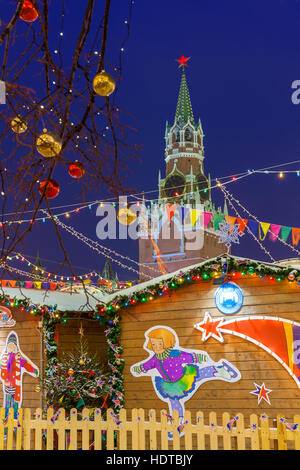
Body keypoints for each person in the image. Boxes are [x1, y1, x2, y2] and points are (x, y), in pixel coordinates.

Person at [131, 326, 241, 438]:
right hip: (170, 385)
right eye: (154, 344)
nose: (157, 347)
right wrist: (140, 368)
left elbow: (186, 356)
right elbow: (147, 365)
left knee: (200, 374)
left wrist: (197, 357)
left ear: (167, 342)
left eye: (160, 343)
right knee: (174, 402)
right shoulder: (155, 358)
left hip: (184, 377)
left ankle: (220, 370)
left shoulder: (174, 354)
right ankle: (177, 425)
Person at [0, 331, 39, 419]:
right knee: (7, 406)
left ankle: (14, 423)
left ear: (15, 346)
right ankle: (6, 425)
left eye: (12, 345)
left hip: (15, 386)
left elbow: (26, 365)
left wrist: (34, 371)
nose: (11, 347)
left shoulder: (19, 358)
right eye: (9, 345)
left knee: (15, 406)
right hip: (7, 387)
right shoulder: (4, 358)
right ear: (7, 346)